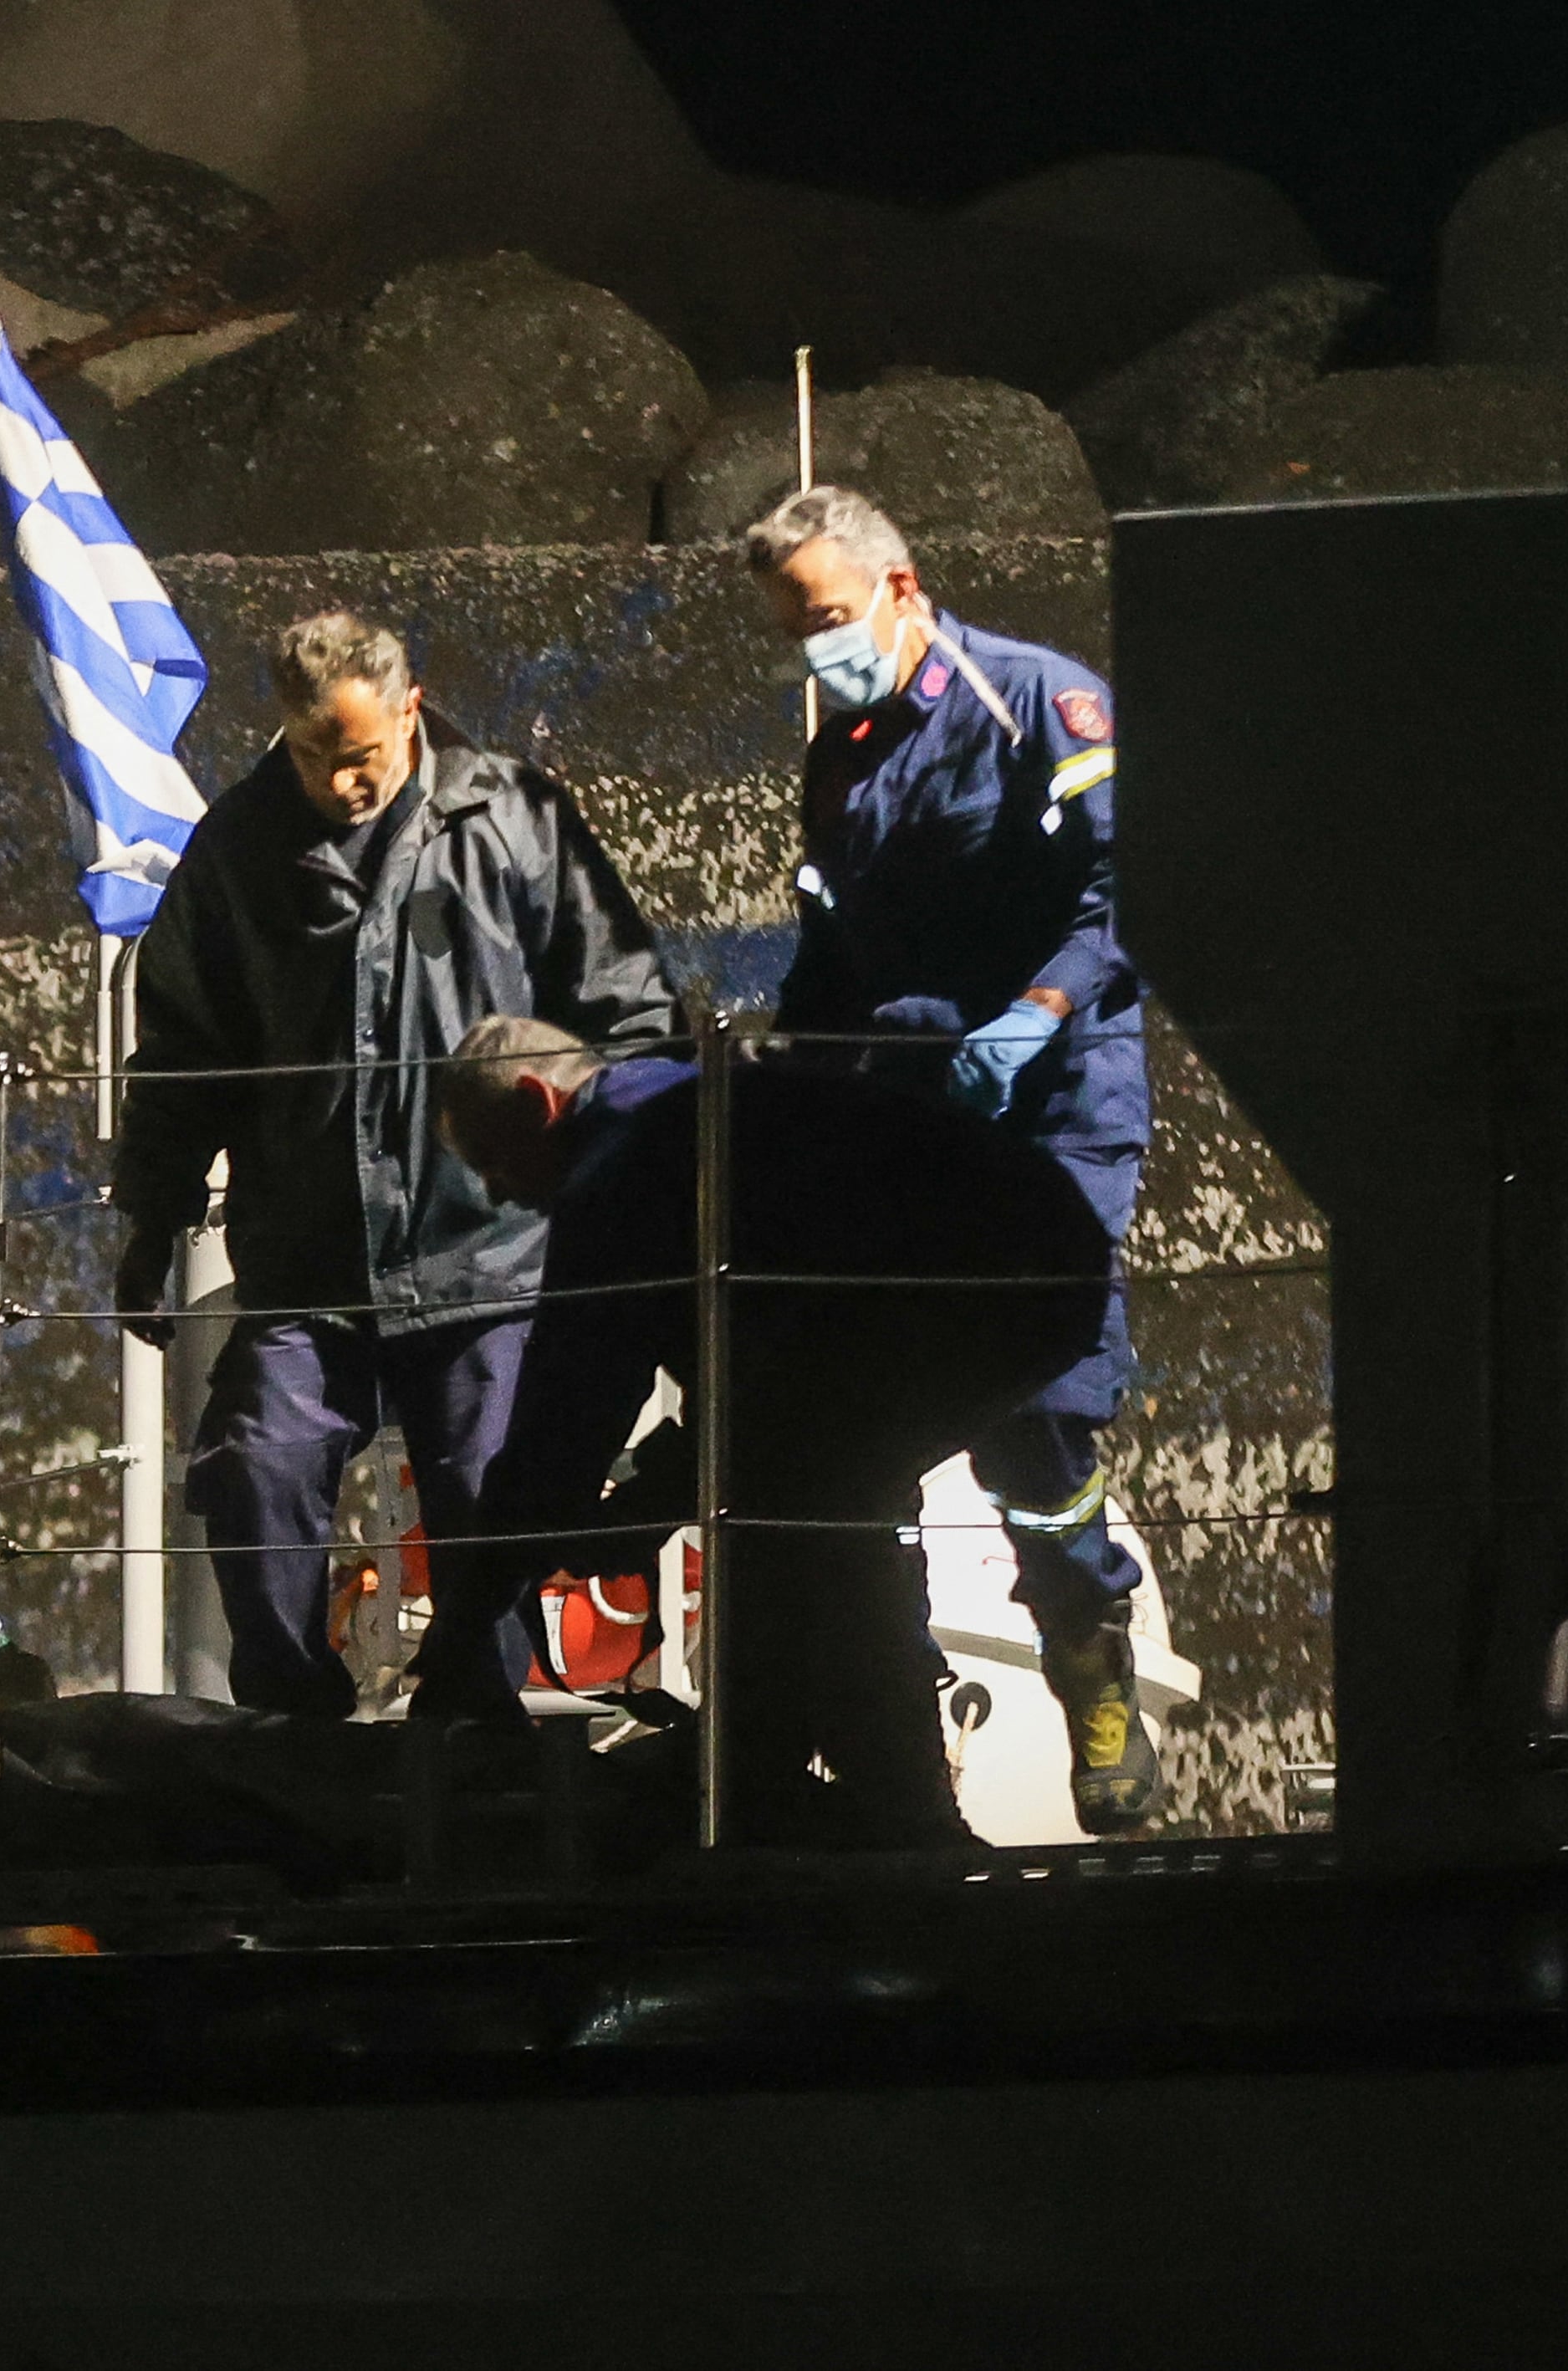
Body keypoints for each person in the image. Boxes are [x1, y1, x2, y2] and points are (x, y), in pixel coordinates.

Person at [113, 609, 679, 1718]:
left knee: (496, 1488)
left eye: (361, 754)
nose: (339, 781)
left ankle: (478, 1726)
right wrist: (152, 1213)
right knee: (253, 1461)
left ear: (410, 708)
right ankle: (293, 1718)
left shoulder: (510, 819)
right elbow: (185, 1043)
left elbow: (624, 1001)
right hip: (311, 1260)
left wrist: (636, 1187)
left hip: (490, 1252)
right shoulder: (237, 846)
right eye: (314, 755)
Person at [424, 1015, 1112, 1846]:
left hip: (960, 1290)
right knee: (808, 1500)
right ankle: (812, 1778)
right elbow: (766, 1387)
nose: (498, 1195)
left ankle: (882, 1811)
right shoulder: (694, 1110)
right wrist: (661, 1494)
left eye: (494, 1162)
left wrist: (467, 1624)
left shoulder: (619, 1169)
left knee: (811, 1512)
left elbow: (565, 1417)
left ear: (540, 1102)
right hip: (1027, 1260)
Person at [743, 485, 1161, 1834]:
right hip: (912, 1118)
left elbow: (1130, 891)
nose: (816, 648)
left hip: (1053, 1105)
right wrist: (777, 1063)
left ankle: (1087, 1653)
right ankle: (895, 1731)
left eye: (825, 617)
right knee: (865, 1416)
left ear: (899, 587)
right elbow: (832, 956)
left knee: (1036, 1409)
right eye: (793, 629)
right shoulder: (839, 762)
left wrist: (1033, 1016)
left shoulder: (1039, 706)